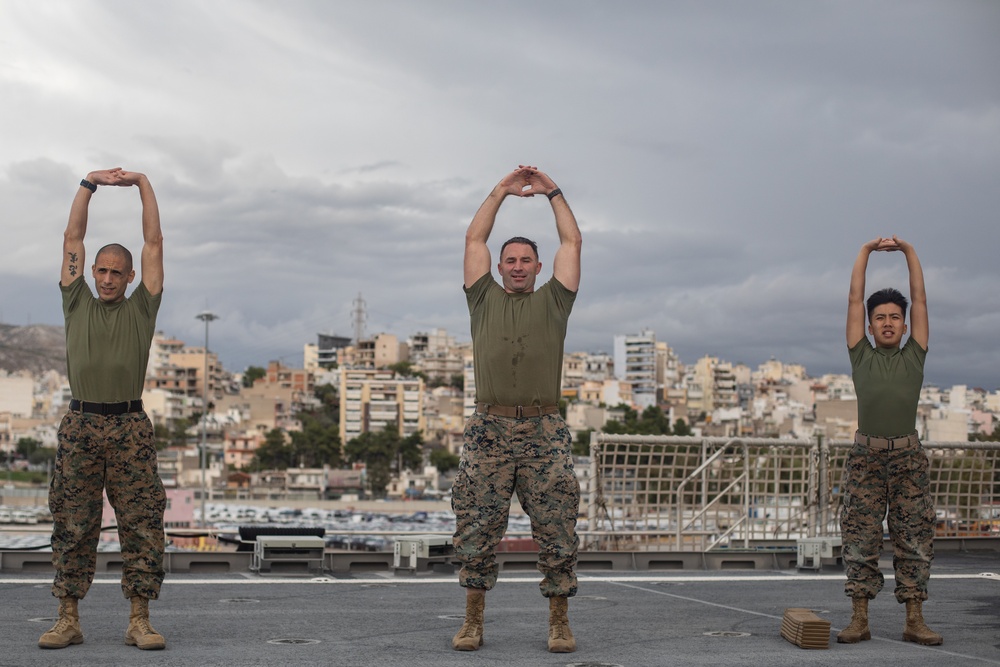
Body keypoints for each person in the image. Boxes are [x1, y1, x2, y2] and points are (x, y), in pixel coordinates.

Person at [451, 166, 582, 654]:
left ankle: (560, 622)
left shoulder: (555, 302)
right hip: (489, 428)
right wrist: (501, 191)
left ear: (539, 267)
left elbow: (572, 243)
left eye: (527, 259)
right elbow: (473, 237)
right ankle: (472, 622)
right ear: (500, 267)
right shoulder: (482, 298)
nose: (519, 266)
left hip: (544, 430)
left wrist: (552, 192)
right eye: (511, 260)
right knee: (477, 525)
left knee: (557, 526)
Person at [39, 168, 168, 651]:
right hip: (81, 426)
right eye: (102, 270)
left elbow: (153, 241)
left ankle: (140, 619)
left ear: (130, 276)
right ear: (90, 272)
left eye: (118, 271)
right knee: (73, 521)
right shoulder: (76, 302)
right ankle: (68, 619)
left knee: (141, 524)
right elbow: (73, 235)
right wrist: (88, 184)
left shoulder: (142, 307)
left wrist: (141, 183)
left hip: (131, 426)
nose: (108, 277)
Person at [838, 235, 941, 646]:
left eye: (894, 317)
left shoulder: (914, 353)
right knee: (860, 537)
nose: (886, 322)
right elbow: (852, 298)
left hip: (908, 459)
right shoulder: (859, 353)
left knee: (914, 536)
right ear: (869, 325)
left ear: (904, 323)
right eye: (879, 317)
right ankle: (859, 618)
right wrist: (864, 251)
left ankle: (914, 618)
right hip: (866, 458)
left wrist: (909, 252)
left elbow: (921, 298)